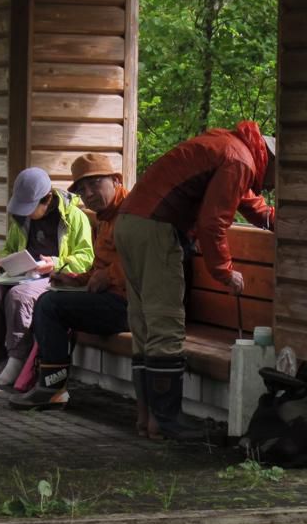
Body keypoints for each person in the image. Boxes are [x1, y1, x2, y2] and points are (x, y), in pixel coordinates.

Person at [114, 120, 275, 440]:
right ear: (269, 160)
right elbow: (212, 223)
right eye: (277, 175)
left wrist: (283, 222)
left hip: (128, 223)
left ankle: (146, 420)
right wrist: (225, 272)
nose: (271, 185)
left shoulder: (229, 147)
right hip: (156, 230)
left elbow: (248, 204)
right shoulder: (239, 160)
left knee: (145, 328)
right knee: (165, 327)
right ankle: (167, 422)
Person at [8, 153, 129, 411]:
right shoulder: (107, 217)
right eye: (83, 190)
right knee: (48, 300)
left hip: (132, 306)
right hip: (111, 298)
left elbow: (145, 262)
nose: (90, 194)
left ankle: (52, 388)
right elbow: (98, 268)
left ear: (116, 180)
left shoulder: (131, 215)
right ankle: (48, 383)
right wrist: (75, 280)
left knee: (49, 304)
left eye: (96, 183)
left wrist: (107, 277)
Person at [0, 167, 93, 386]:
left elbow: (86, 258)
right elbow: (11, 248)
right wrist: (1, 262)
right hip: (23, 275)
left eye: (31, 207)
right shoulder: (22, 220)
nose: (27, 213)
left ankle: (17, 359)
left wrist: (55, 263)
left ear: (47, 198)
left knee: (20, 296)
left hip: (56, 278)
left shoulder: (74, 217)